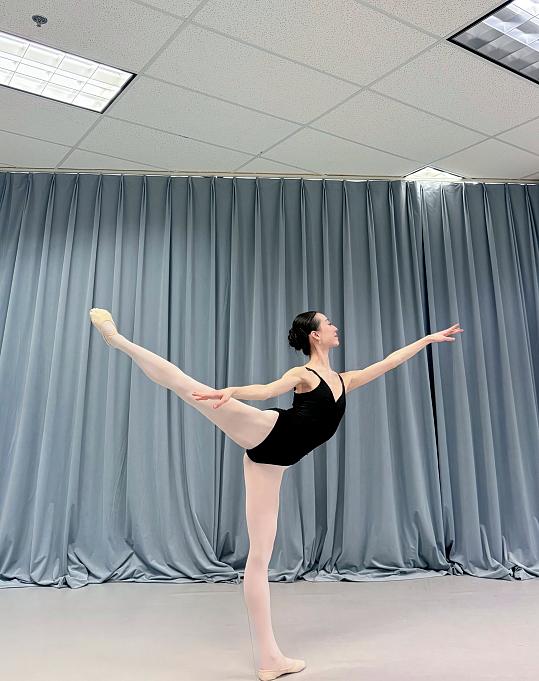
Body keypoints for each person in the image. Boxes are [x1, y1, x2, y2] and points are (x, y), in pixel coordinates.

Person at [89, 307, 462, 680]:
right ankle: (117, 339)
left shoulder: (344, 380)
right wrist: (234, 392)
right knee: (188, 387)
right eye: (328, 323)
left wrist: (427, 340)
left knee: (260, 557)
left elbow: (389, 362)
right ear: (315, 335)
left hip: (273, 463)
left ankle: (270, 659)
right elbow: (268, 389)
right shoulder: (304, 374)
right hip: (268, 432)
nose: (335, 327)